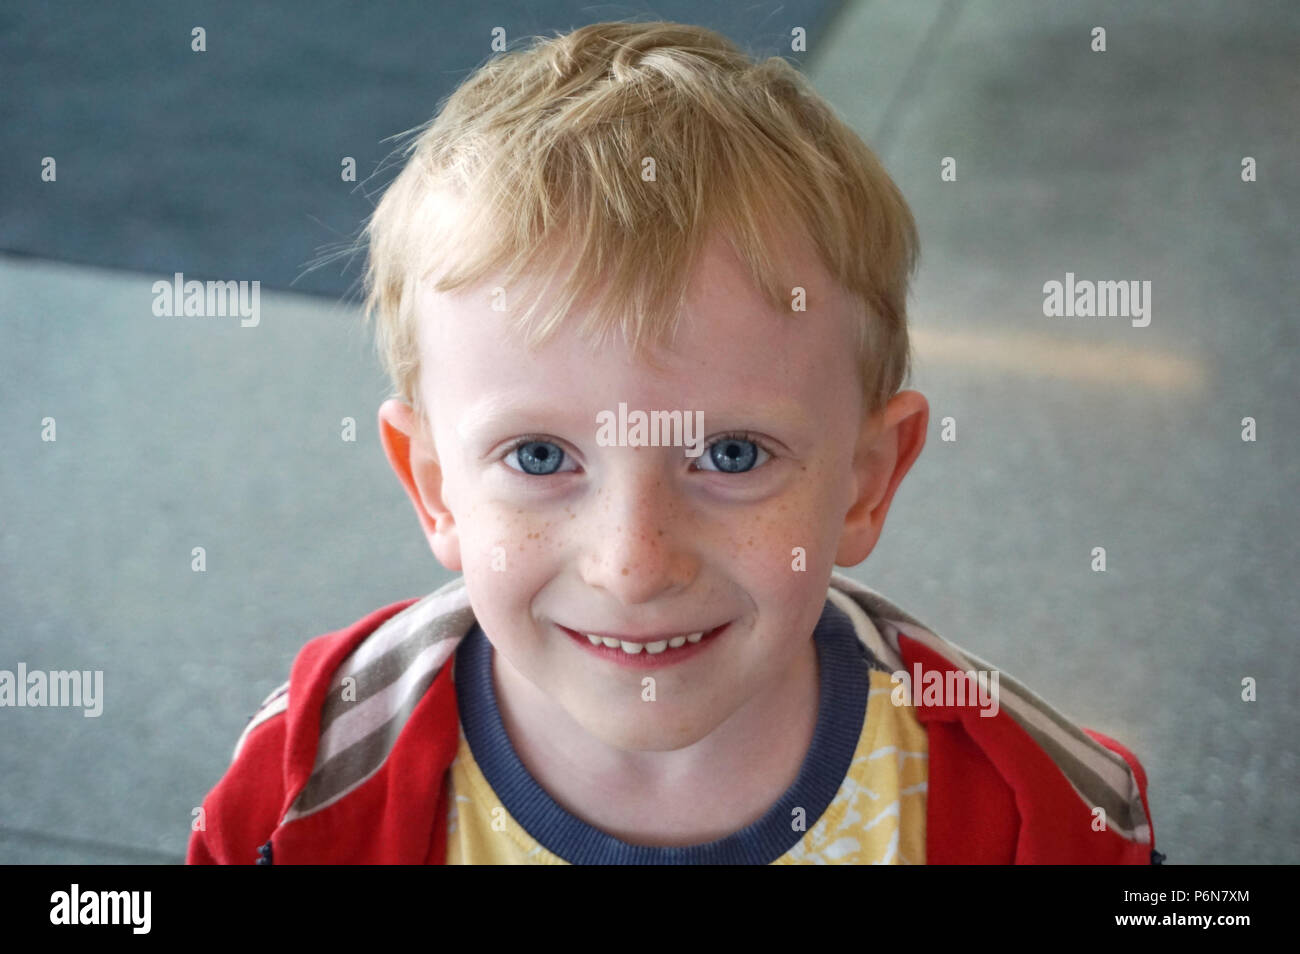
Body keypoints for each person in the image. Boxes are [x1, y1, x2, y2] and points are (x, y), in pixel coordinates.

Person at [188, 20, 1158, 864]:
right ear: (434, 486)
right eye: (539, 457)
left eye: (729, 455)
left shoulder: (1039, 805)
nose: (634, 564)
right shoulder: (308, 773)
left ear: (867, 480)